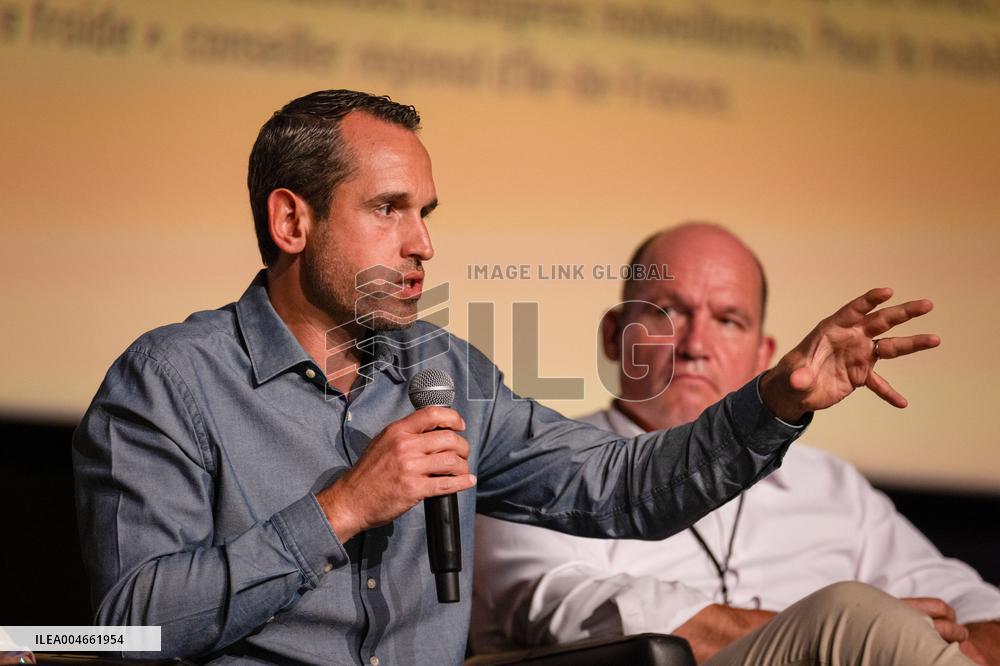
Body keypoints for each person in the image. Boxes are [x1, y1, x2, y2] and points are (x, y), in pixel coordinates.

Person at [73, 91, 944, 665]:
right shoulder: (171, 382)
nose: (423, 246)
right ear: (292, 220)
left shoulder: (444, 374)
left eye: (427, 215)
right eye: (389, 210)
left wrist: (776, 401)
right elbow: (118, 633)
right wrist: (341, 510)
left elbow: (622, 486)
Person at [472, 223, 1000, 664]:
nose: (696, 345)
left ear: (762, 353)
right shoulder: (536, 460)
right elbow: (566, 607)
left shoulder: (830, 484)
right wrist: (848, 635)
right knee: (854, 610)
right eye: (670, 313)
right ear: (615, 335)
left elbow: (976, 605)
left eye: (728, 320)